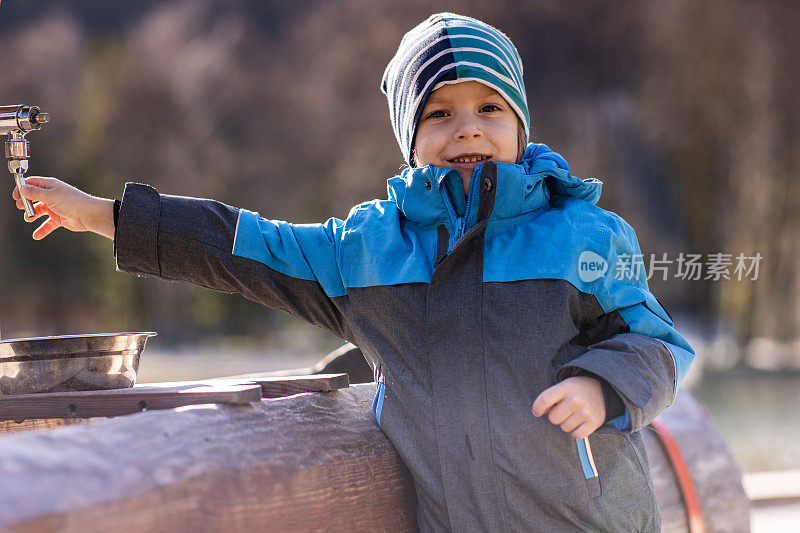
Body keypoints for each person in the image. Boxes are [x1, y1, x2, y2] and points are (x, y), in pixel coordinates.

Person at [11, 13, 694, 532]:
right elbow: (239, 244)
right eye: (439, 113)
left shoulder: (581, 234)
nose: (467, 129)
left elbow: (659, 343)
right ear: (408, 137)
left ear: (519, 125)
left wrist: (602, 386)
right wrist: (102, 214)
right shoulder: (365, 251)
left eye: (489, 108)